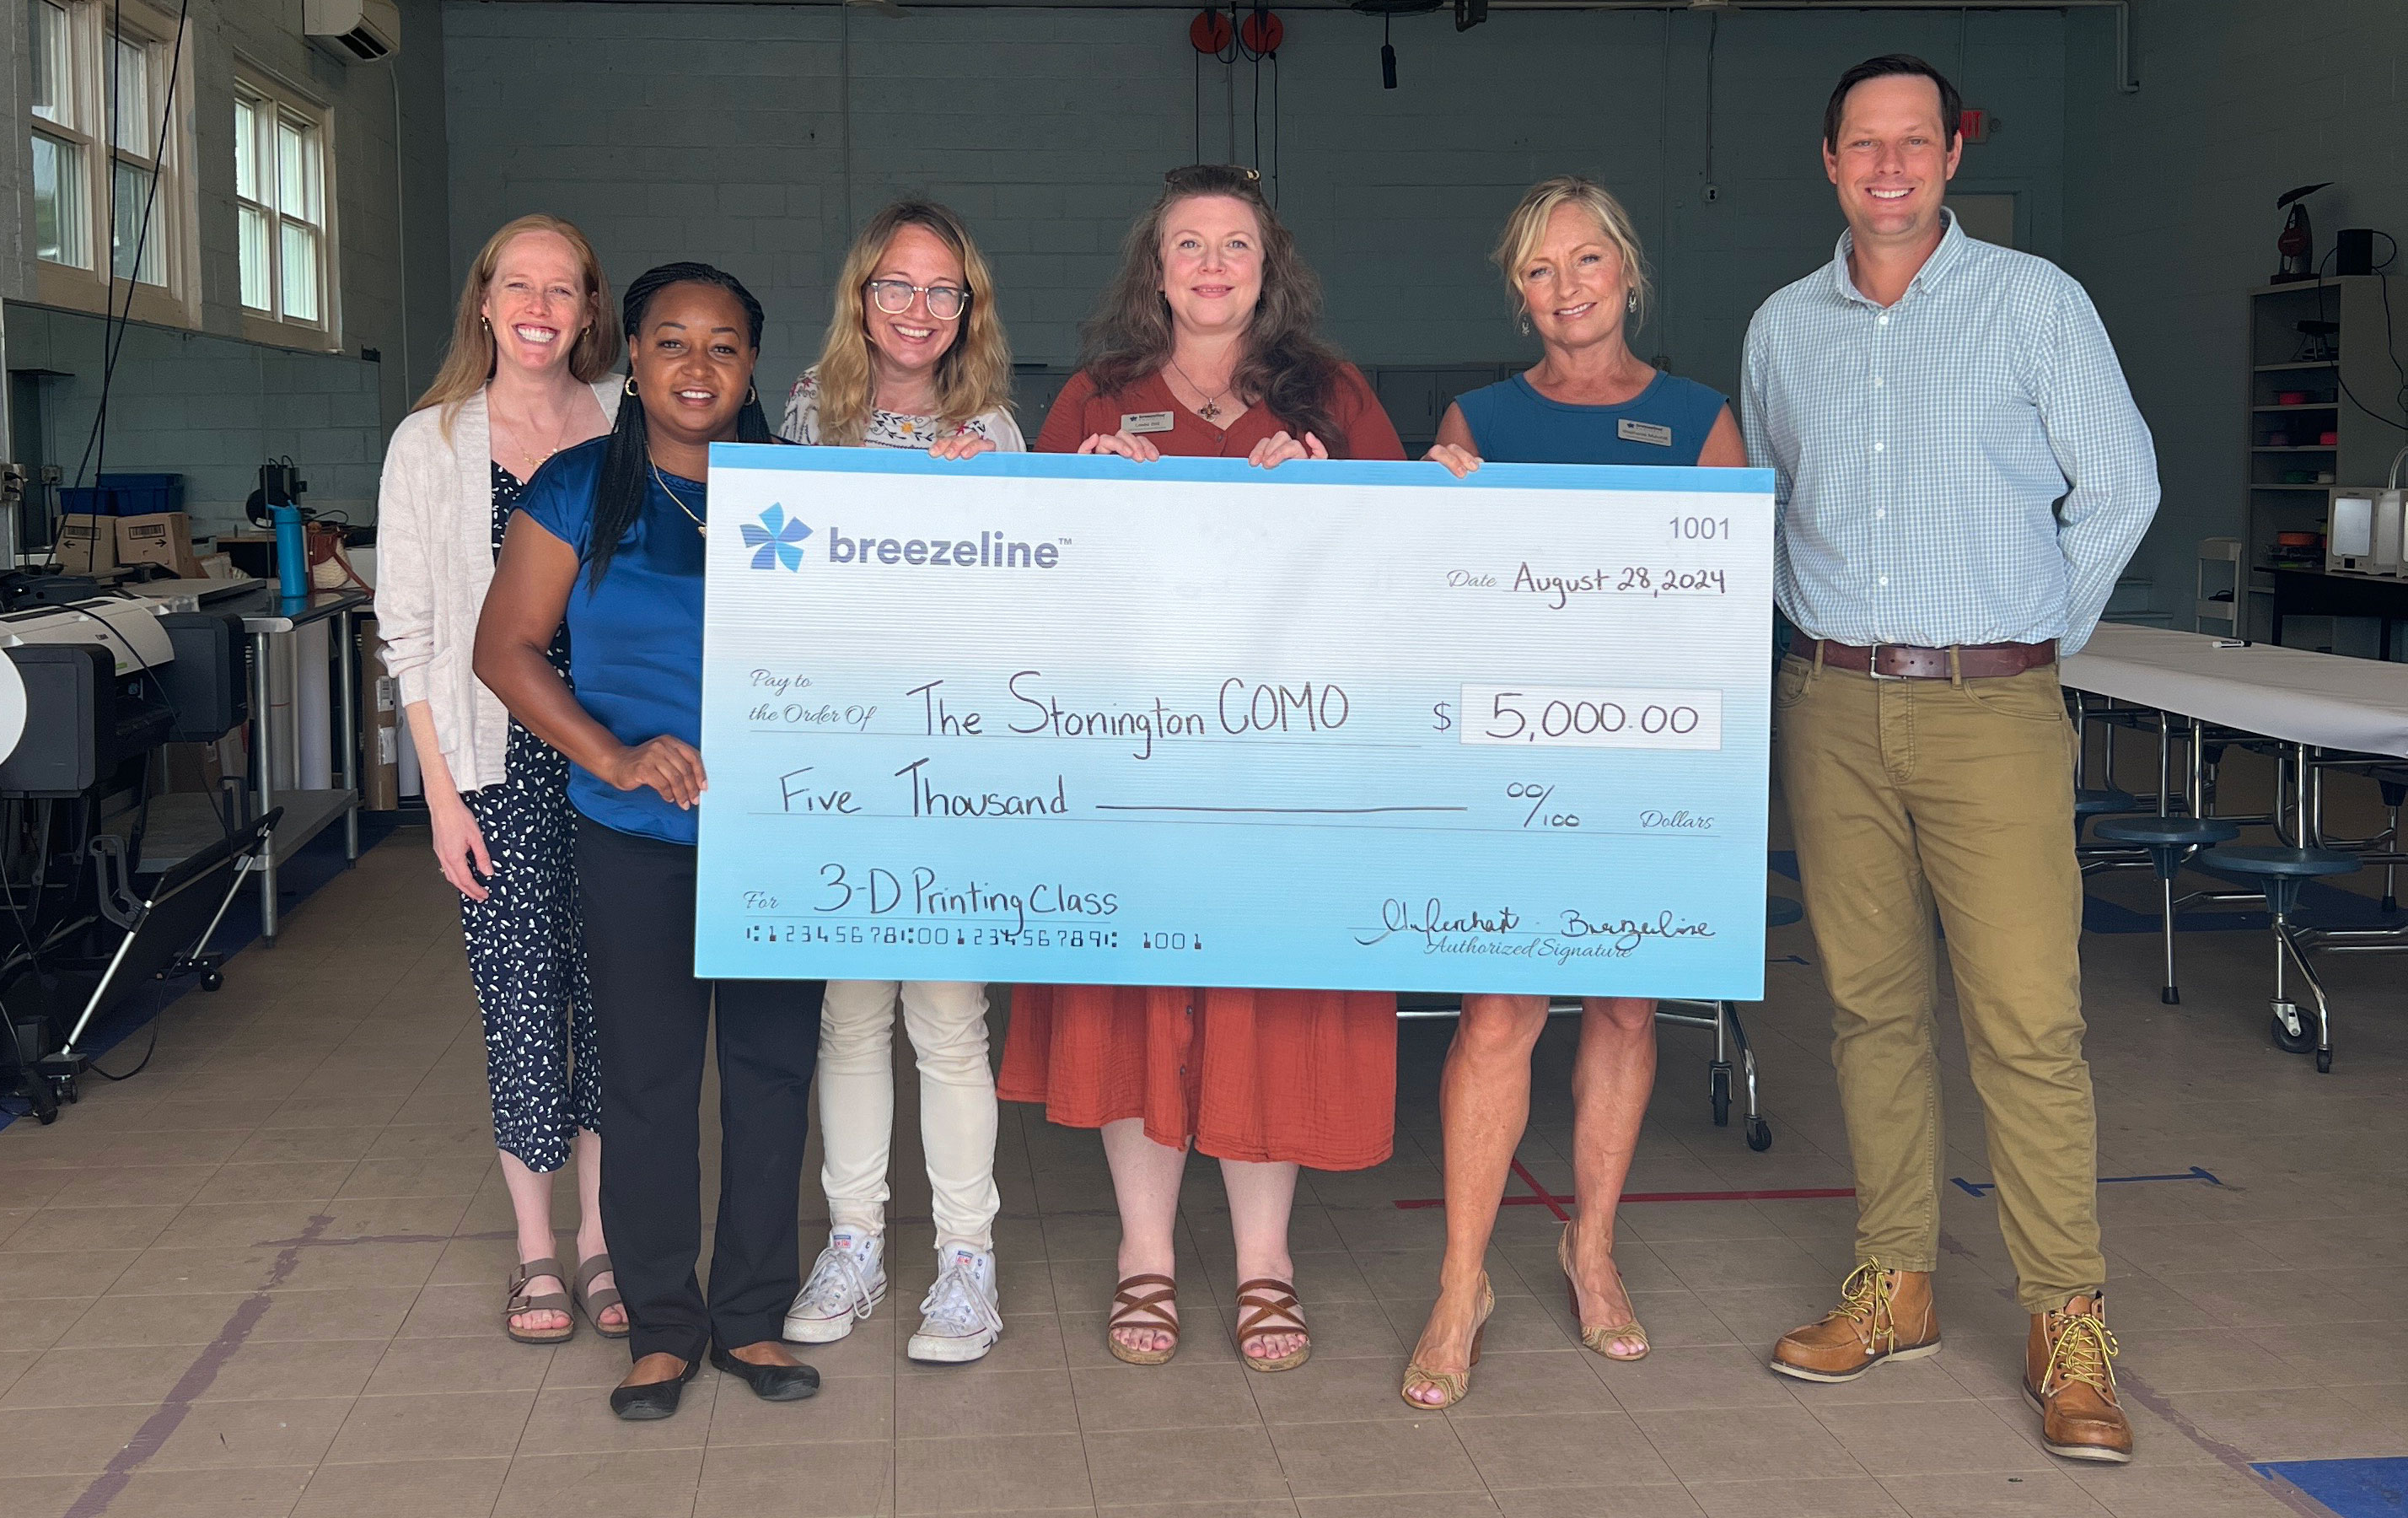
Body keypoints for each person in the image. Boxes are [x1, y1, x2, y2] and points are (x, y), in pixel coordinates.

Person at [1741, 56, 2157, 1463]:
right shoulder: (1784, 329)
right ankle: (1896, 1284)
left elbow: (2125, 481)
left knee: (2029, 1026)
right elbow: (1765, 512)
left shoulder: (2036, 303)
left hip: (1993, 711)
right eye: (1867, 145)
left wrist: (2040, 635)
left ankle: (2068, 1322)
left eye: (1916, 142)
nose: (1892, 167)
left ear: (1952, 155)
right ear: (1830, 161)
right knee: (1866, 1011)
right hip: (1835, 704)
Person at [999, 164, 1406, 1374]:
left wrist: (1335, 490)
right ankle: (1146, 1257)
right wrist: (1082, 490)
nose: (1214, 265)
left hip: (1286, 770)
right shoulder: (1096, 396)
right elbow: (1027, 576)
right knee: (1140, 1009)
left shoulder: (1332, 395)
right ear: (1156, 268)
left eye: (1237, 244)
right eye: (1190, 245)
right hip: (1129, 767)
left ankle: (1267, 1264)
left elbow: (1409, 559)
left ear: (1268, 265)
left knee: (1261, 1008)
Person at [1402, 175, 1747, 1409]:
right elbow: (1430, 602)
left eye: (1588, 262)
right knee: (1499, 1014)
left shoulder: (1701, 419)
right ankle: (1461, 1281)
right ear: (1518, 293)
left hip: (1650, 764)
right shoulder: (1478, 420)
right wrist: (1428, 511)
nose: (1567, 288)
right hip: (1511, 761)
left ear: (1629, 274)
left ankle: (1590, 1248)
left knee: (1627, 1011)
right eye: (1541, 271)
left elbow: (1723, 614)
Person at [475, 261, 828, 1421]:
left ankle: (755, 1317)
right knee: (645, 1082)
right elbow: (508, 648)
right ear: (631, 355)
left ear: (753, 367)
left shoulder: (809, 491)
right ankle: (665, 1325)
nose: (696, 365)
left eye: (723, 345)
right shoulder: (582, 489)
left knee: (774, 1078)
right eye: (670, 341)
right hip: (634, 832)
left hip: (780, 841)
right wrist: (615, 755)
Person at [775, 200, 1022, 1365]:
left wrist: (984, 495)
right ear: (861, 299)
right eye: (897, 286)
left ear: (966, 310)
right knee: (850, 1014)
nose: (919, 311)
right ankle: (857, 1241)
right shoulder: (806, 421)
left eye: (943, 291)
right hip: (840, 766)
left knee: (949, 1020)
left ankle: (968, 1261)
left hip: (956, 771)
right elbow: (783, 600)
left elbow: (1024, 614)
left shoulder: (998, 433)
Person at [374, 213, 626, 1348]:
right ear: (484, 301)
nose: (538, 304)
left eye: (560, 287)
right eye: (517, 284)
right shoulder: (429, 443)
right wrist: (439, 796)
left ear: (588, 309)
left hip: (620, 756)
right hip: (495, 766)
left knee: (622, 1003)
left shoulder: (628, 419)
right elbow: (412, 633)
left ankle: (604, 1240)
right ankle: (537, 1249)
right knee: (525, 1002)